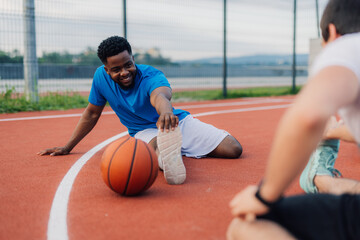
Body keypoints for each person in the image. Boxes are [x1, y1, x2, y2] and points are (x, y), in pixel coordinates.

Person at [227, 0, 360, 239]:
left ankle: (320, 178)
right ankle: (323, 181)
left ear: (331, 32)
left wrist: (265, 196)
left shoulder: (346, 45)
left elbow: (309, 116)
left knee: (246, 225)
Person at [37, 36, 243, 185]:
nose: (125, 72)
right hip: (143, 131)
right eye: (116, 69)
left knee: (233, 149)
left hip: (174, 121)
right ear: (106, 70)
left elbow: (159, 96)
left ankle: (177, 147)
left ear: (133, 59)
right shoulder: (100, 78)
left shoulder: (151, 75)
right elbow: (91, 113)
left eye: (128, 65)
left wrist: (165, 113)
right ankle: (170, 157)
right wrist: (67, 146)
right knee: (158, 150)